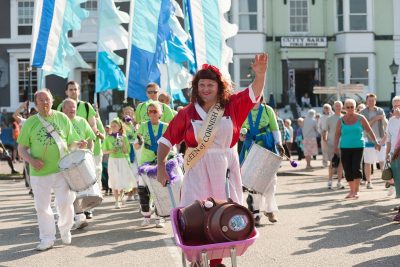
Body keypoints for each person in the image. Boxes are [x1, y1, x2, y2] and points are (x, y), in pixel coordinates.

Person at [156, 54, 268, 267]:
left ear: (219, 87)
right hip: (197, 168)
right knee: (197, 214)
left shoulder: (232, 105)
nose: (206, 89)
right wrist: (160, 166)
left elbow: (253, 93)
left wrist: (260, 74)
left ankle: (215, 261)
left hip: (225, 167)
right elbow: (166, 140)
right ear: (196, 88)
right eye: (201, 85)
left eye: (210, 84)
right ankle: (199, 259)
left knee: (224, 215)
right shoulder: (187, 113)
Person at [17, 89, 84, 251]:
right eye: (41, 100)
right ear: (36, 103)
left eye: (47, 100)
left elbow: (71, 143)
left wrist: (78, 144)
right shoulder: (30, 123)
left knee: (66, 203)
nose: (44, 103)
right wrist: (32, 160)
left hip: (62, 170)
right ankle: (47, 238)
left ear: (52, 101)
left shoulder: (62, 118)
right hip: (39, 173)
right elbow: (21, 149)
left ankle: (65, 229)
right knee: (42, 206)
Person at [239, 96, 284, 226]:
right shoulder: (243, 111)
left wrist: (279, 143)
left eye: (256, 97)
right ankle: (256, 213)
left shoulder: (267, 110)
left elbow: (275, 129)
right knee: (254, 183)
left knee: (271, 180)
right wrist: (241, 136)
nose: (254, 100)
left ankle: (270, 210)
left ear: (261, 98)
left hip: (268, 148)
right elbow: (240, 133)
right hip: (251, 150)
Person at [333, 99, 380, 199]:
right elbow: (337, 134)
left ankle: (356, 190)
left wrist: (375, 142)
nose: (350, 109)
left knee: (356, 167)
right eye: (348, 107)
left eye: (352, 107)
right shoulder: (341, 120)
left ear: (355, 108)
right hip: (345, 147)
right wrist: (335, 147)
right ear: (344, 108)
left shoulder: (361, 118)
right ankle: (352, 190)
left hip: (358, 146)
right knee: (347, 168)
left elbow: (369, 131)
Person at [62, 98, 96, 229]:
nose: (72, 110)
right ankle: (72, 217)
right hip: (66, 162)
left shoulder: (82, 121)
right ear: (63, 109)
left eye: (74, 108)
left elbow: (91, 138)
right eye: (69, 107)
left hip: (81, 161)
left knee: (79, 189)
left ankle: (80, 216)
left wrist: (90, 152)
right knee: (68, 191)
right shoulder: (60, 123)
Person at [134, 102, 169, 228]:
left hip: (161, 160)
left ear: (160, 113)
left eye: (155, 111)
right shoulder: (143, 126)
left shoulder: (166, 127)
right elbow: (137, 144)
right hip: (146, 160)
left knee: (159, 189)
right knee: (142, 189)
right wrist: (138, 143)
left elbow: (171, 144)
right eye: (149, 112)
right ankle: (146, 216)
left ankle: (160, 217)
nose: (152, 114)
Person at [102, 118, 136, 209]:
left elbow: (127, 151)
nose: (113, 127)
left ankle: (120, 199)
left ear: (119, 126)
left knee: (121, 180)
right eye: (112, 126)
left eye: (115, 126)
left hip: (122, 160)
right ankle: (117, 201)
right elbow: (104, 151)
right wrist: (111, 150)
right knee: (114, 180)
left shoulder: (123, 137)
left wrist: (123, 144)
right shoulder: (108, 137)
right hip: (113, 160)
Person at [360, 94, 387, 189]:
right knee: (368, 162)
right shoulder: (362, 112)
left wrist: (384, 120)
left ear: (375, 101)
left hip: (380, 138)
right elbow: (364, 127)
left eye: (373, 100)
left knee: (382, 161)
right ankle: (368, 182)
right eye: (369, 100)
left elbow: (385, 123)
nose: (371, 102)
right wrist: (375, 119)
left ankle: (386, 181)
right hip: (368, 139)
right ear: (366, 101)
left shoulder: (380, 110)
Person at [323, 101, 344, 189]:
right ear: (334, 107)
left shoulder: (345, 117)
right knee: (332, 163)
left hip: (343, 143)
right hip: (332, 144)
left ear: (342, 107)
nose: (338, 107)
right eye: (336, 106)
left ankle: (339, 182)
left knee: (341, 164)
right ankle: (330, 181)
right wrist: (325, 140)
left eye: (339, 106)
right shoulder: (329, 118)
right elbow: (324, 130)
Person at [385, 96, 400, 197]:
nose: (396, 108)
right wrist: (387, 154)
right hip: (394, 154)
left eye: (399, 105)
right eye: (394, 106)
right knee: (397, 178)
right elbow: (388, 139)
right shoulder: (391, 120)